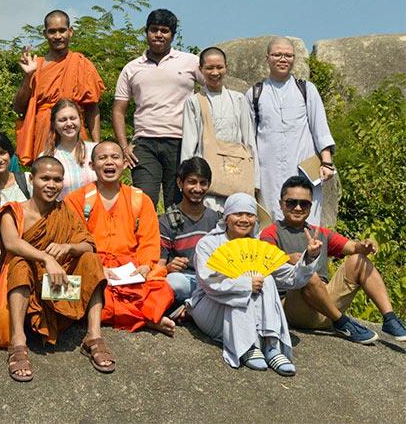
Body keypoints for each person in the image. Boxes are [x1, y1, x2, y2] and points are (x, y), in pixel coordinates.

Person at [0, 156, 113, 381]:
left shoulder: (64, 210)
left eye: (57, 180)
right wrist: (47, 259)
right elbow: (11, 243)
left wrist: (69, 247)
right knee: (19, 261)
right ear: (31, 179)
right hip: (30, 291)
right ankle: (18, 341)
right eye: (45, 178)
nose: (51, 185)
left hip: (59, 287)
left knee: (91, 259)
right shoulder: (14, 211)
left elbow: (89, 243)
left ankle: (93, 336)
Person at [186, 193, 322, 376]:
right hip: (212, 307)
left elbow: (292, 278)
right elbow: (209, 283)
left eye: (249, 215)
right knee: (248, 282)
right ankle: (248, 345)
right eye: (238, 214)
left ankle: (271, 345)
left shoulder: (258, 247)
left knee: (266, 278)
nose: (244, 219)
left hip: (249, 311)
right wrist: (245, 284)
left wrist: (310, 256)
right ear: (226, 218)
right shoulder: (208, 244)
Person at [260, 176, 406, 343]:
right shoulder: (270, 233)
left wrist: (363, 246)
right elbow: (266, 263)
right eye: (291, 202)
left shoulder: (320, 232)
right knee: (307, 273)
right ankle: (343, 323)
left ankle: (390, 319)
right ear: (281, 204)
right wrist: (288, 258)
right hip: (295, 307)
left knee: (359, 260)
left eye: (304, 203)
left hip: (325, 304)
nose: (298, 207)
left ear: (310, 205)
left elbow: (351, 247)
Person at [66, 141, 176, 336]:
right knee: (83, 290)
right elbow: (72, 241)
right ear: (92, 166)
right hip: (95, 268)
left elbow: (149, 241)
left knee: (161, 289)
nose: (109, 162)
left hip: (130, 270)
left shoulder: (139, 199)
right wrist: (99, 268)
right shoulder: (77, 199)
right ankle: (147, 318)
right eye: (102, 158)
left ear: (125, 163)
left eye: (115, 157)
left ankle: (135, 314)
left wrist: (144, 266)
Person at [113, 9, 204, 208]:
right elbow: (119, 109)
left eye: (164, 31)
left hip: (180, 141)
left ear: (173, 34)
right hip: (144, 144)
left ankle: (174, 240)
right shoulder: (132, 68)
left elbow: (212, 88)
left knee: (178, 203)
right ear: (146, 32)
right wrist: (123, 146)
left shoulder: (190, 61)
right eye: (154, 30)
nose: (159, 35)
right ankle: (145, 240)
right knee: (142, 202)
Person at [246, 36, 335, 225]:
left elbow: (320, 128)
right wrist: (251, 177)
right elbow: (248, 138)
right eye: (277, 54)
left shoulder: (307, 90)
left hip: (303, 168)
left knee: (307, 219)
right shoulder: (255, 93)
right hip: (267, 171)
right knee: (271, 221)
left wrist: (326, 163)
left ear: (294, 58)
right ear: (267, 58)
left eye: (288, 55)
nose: (283, 59)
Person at [13, 9, 105, 165]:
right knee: (47, 180)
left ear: (70, 32)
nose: (57, 36)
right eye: (52, 31)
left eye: (62, 30)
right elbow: (19, 107)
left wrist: (97, 146)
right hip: (44, 133)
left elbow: (92, 107)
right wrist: (28, 76)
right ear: (45, 34)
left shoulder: (81, 63)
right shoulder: (37, 65)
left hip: (74, 130)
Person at [180, 47, 259, 211]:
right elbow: (189, 145)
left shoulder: (238, 99)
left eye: (219, 67)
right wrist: (186, 180)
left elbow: (249, 141)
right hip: (208, 181)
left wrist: (255, 181)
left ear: (226, 68)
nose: (215, 72)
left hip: (238, 176)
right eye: (209, 68)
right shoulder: (194, 102)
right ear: (201, 69)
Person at [158, 157, 221, 321]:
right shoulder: (166, 221)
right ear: (180, 183)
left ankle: (191, 308)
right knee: (173, 282)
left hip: (213, 280)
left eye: (203, 183)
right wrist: (170, 267)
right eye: (192, 182)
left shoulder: (217, 219)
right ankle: (196, 306)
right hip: (187, 280)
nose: (198, 188)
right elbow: (159, 267)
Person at [41, 98, 97, 199]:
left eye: (73, 118)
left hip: (98, 212)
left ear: (80, 119)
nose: (69, 123)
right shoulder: (47, 157)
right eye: (63, 120)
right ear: (54, 124)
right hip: (64, 213)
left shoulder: (95, 150)